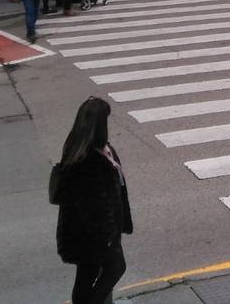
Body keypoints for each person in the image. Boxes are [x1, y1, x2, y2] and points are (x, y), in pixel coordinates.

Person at [52, 96, 133, 304]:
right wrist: (107, 238)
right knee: (115, 267)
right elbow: (91, 207)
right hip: (93, 235)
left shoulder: (90, 148)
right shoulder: (87, 161)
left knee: (86, 275)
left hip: (88, 234)